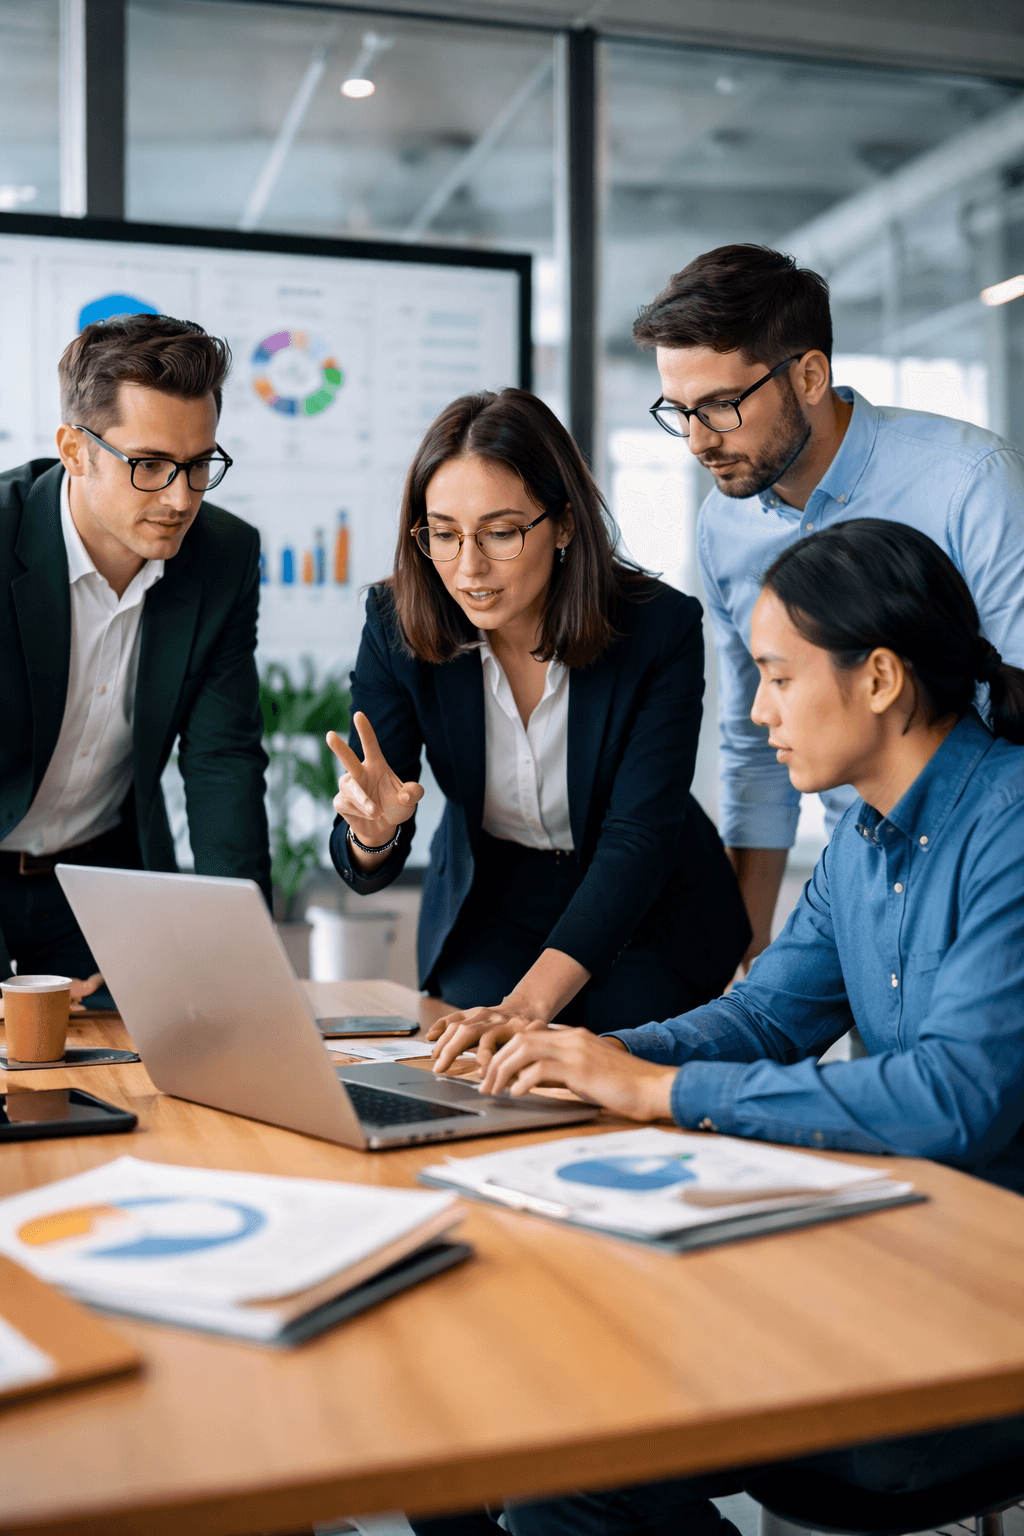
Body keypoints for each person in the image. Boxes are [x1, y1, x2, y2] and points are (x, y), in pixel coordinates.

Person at [412, 517, 1024, 1536]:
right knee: (476, 1402)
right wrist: (597, 1058)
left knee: (565, 1455)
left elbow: (953, 1101)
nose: (756, 710)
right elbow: (763, 1015)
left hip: (976, 1325)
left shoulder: (1007, 827)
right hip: (887, 1263)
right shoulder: (859, 841)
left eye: (779, 677)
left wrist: (661, 1091)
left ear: (878, 679)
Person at [633, 243, 1024, 969]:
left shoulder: (969, 484)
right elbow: (752, 748)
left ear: (810, 375)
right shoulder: (725, 523)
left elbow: (1021, 712)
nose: (696, 442)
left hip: (990, 879)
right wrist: (746, 952)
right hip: (856, 881)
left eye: (720, 406)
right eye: (677, 411)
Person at [327, 388, 750, 1040]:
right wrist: (373, 834)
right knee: (470, 1059)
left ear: (565, 525)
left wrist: (528, 1007)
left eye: (500, 533)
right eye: (443, 534)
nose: (468, 568)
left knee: (613, 1048)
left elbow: (637, 839)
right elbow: (377, 815)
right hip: (494, 895)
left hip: (648, 901)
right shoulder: (395, 623)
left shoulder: (659, 628)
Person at [0, 313, 270, 1006]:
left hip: (99, 886)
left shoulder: (223, 558)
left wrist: (236, 959)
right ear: (74, 449)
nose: (181, 499)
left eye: (200, 464)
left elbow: (223, 764)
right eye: (148, 465)